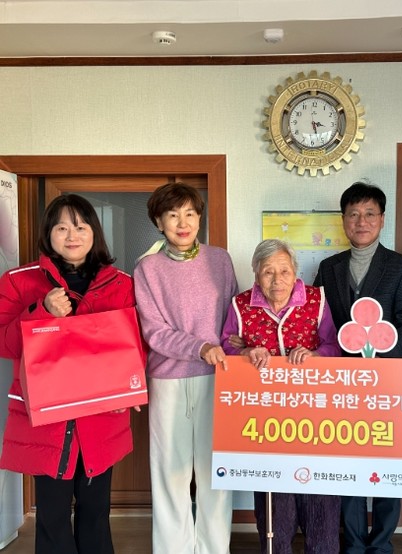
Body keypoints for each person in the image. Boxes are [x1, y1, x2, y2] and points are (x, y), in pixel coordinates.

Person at [0, 194, 136, 554]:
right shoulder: (18, 281)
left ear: (94, 232)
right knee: (52, 513)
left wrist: (132, 388)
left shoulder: (120, 283)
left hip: (100, 414)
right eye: (61, 227)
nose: (72, 235)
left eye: (80, 226)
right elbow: (4, 343)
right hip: (47, 417)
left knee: (96, 510)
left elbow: (134, 345)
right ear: (49, 233)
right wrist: (41, 311)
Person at [313, 181, 402, 554]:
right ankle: (355, 543)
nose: (362, 221)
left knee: (388, 465)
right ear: (343, 220)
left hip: (388, 382)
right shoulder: (328, 268)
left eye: (370, 213)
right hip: (341, 383)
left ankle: (382, 543)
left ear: (382, 219)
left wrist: (382, 363)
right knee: (349, 464)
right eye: (354, 214)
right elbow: (319, 323)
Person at [134, 182, 238, 554]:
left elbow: (233, 319)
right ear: (158, 222)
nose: (183, 223)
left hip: (217, 378)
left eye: (190, 213)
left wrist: (236, 346)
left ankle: (214, 548)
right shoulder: (147, 268)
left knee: (216, 471)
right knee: (170, 473)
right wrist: (200, 347)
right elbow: (153, 331)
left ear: (199, 218)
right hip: (168, 380)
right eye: (173, 215)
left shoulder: (220, 260)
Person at [221, 239, 341, 554]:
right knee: (276, 509)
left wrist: (316, 355)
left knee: (320, 502)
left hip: (315, 418)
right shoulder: (241, 305)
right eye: (268, 272)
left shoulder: (316, 300)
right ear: (256, 274)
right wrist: (245, 351)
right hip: (265, 420)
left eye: (284, 271)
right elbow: (226, 345)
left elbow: (334, 346)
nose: (277, 280)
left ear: (295, 272)